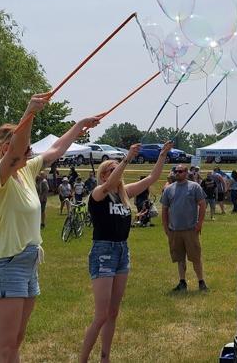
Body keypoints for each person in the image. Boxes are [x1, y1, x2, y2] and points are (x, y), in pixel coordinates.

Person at [0, 91, 100, 363]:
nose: (30, 152)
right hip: (6, 263)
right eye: (25, 148)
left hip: (27, 262)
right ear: (7, 150)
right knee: (4, 345)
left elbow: (55, 151)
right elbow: (18, 150)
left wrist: (80, 126)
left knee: (16, 341)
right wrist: (29, 113)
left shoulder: (26, 172)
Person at [78, 141, 172, 363]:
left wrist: (162, 156)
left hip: (122, 251)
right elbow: (112, 182)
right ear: (103, 176)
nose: (116, 173)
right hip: (103, 251)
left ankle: (105, 358)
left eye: (116, 169)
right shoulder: (99, 193)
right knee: (101, 315)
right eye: (111, 170)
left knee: (113, 313)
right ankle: (82, 359)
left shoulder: (125, 194)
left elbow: (151, 179)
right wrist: (127, 158)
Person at [161, 163, 208, 292]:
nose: (178, 173)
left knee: (195, 257)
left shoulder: (194, 187)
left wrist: (200, 223)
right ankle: (182, 282)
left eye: (181, 171)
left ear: (186, 173)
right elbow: (164, 210)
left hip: (190, 229)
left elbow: (202, 205)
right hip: (175, 230)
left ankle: (201, 282)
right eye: (176, 171)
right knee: (179, 258)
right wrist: (166, 227)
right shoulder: (169, 189)